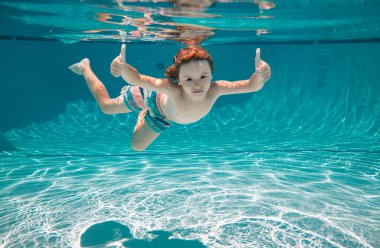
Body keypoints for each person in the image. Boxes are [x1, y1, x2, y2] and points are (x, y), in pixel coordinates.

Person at [69, 45, 271, 151]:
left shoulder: (216, 89)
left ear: (211, 75)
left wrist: (261, 75)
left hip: (164, 114)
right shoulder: (171, 89)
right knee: (106, 107)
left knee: (137, 147)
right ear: (179, 80)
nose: (198, 85)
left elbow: (250, 85)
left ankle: (145, 116)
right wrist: (122, 68)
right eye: (189, 79)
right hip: (151, 99)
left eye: (203, 77)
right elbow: (138, 79)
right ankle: (85, 67)